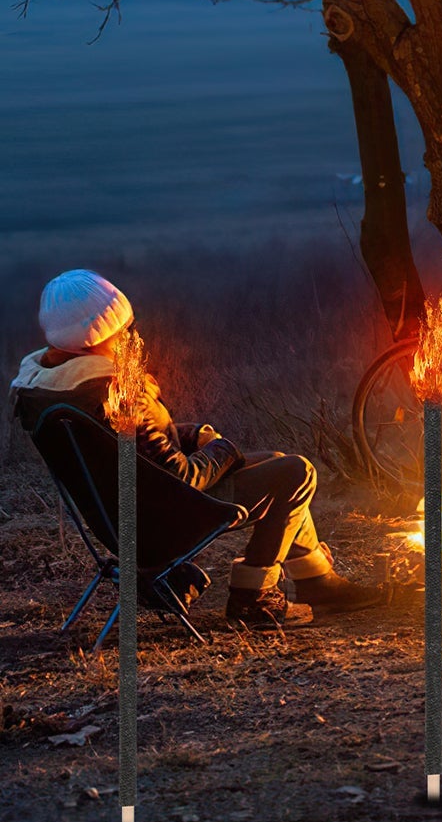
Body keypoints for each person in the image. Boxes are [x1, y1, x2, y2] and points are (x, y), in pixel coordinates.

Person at [9, 269, 387, 630]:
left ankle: (316, 580)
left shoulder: (50, 390)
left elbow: (140, 445)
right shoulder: (115, 392)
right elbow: (181, 477)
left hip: (125, 516)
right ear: (97, 335)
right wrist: (222, 447)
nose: (129, 335)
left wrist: (193, 436)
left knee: (275, 464)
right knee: (296, 473)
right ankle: (252, 597)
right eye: (123, 328)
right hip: (164, 518)